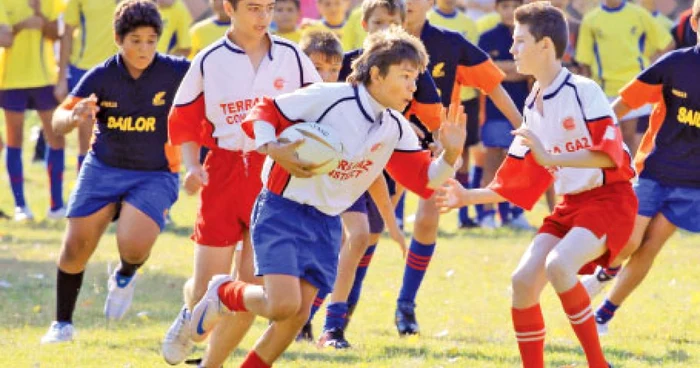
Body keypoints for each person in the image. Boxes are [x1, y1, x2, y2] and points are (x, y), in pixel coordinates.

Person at [190, 25, 467, 368]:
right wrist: (271, 147)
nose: (414, 87)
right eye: (406, 76)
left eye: (416, 78)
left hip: (325, 222)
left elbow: (425, 181)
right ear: (377, 74)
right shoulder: (330, 96)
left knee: (297, 315)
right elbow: (265, 110)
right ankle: (223, 292)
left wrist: (451, 155)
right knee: (281, 305)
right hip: (283, 208)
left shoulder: (393, 127)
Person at [437, 3, 635, 366]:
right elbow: (518, 178)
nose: (512, 50)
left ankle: (598, 363)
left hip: (611, 200)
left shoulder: (583, 90)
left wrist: (551, 157)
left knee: (559, 266)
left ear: (545, 45)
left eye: (519, 41)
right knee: (523, 281)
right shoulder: (532, 102)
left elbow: (611, 158)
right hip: (571, 206)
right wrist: (467, 197)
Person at [161, 0, 322, 365]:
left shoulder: (292, 56)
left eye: (268, 8)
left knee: (251, 288)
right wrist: (190, 166)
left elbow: (318, 107)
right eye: (253, 8)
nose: (263, 17)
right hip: (224, 171)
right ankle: (189, 317)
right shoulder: (209, 58)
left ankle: (209, 363)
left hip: (274, 173)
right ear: (228, 8)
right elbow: (185, 118)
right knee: (206, 287)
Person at [40, 0, 189, 344]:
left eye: (151, 40)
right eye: (135, 40)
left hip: (155, 172)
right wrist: (76, 115)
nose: (144, 49)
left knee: (134, 246)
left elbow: (215, 82)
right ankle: (62, 324)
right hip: (103, 168)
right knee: (76, 247)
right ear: (119, 39)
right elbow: (59, 121)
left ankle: (125, 273)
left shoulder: (176, 71)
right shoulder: (102, 75)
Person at [391, 0, 522, 336]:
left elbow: (493, 85)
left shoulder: (450, 43)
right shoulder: (380, 45)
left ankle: (406, 305)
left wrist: (523, 128)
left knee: (426, 220)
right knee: (364, 232)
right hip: (381, 144)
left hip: (434, 146)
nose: (410, 5)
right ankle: (333, 316)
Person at [310, 0, 432, 347]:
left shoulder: (395, 113)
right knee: (328, 249)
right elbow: (275, 112)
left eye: (392, 22)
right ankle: (309, 319)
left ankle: (332, 326)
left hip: (371, 171)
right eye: (377, 22)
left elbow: (373, 165)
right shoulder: (343, 85)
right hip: (313, 182)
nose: (385, 30)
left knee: (361, 239)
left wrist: (443, 147)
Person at [581, 0, 700, 336]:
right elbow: (626, 102)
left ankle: (603, 315)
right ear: (694, 23)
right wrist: (594, 132)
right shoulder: (675, 64)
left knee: (652, 245)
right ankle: (602, 275)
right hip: (655, 169)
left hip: (694, 183)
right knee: (630, 239)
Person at [576, 0, 673, 156]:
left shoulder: (639, 14)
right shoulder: (591, 19)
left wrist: (652, 70)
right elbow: (584, 61)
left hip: (636, 86)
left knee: (633, 139)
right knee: (610, 140)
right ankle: (617, 178)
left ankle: (634, 178)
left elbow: (667, 43)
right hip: (605, 90)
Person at [1, 0, 63, 222]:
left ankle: (57, 206)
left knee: (56, 138)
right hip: (11, 80)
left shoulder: (52, 2)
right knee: (14, 140)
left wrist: (41, 18)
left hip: (45, 78)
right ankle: (21, 206)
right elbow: (4, 39)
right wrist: (21, 26)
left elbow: (59, 34)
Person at [426, 0, 483, 229]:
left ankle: (463, 213)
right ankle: (429, 213)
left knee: (465, 155)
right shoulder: (426, 19)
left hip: (466, 98)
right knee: (431, 155)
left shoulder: (469, 23)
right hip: (435, 100)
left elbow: (475, 64)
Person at [478, 0, 532, 230]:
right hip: (493, 109)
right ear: (497, 9)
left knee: (519, 163)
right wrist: (512, 69)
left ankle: (514, 213)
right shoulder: (487, 37)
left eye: (514, 6)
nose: (510, 12)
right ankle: (487, 214)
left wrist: (506, 69)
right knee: (492, 160)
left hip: (524, 108)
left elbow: (529, 69)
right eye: (505, 6)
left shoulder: (529, 36)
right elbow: (488, 72)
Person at [54, 0, 119, 172]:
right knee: (86, 137)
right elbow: (67, 33)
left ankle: (111, 193)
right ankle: (84, 191)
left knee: (115, 138)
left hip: (117, 71)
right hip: (83, 70)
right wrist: (62, 78)